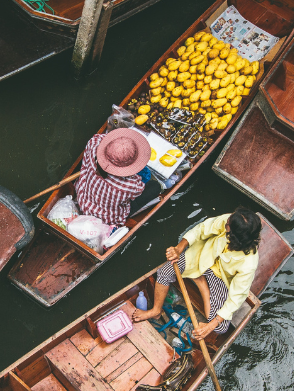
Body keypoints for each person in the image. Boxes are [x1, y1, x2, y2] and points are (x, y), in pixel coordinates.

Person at [132, 208, 262, 338]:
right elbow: (201, 229)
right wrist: (179, 248)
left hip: (220, 277)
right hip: (202, 256)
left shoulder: (248, 264)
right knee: (165, 272)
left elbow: (236, 297)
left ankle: (202, 284)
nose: (225, 222)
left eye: (228, 225)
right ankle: (156, 310)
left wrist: (210, 326)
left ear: (233, 236)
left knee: (220, 327)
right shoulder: (230, 220)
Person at [75, 128, 160, 227]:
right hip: (107, 217)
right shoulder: (131, 185)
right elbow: (139, 188)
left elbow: (100, 138)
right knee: (155, 187)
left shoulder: (93, 144)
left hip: (83, 199)